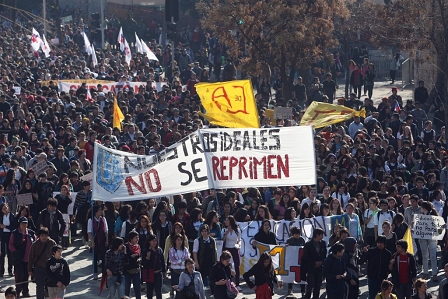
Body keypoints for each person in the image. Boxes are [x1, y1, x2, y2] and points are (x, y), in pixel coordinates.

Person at [9, 216, 36, 298]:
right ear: (19, 224)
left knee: (26, 275)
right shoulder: (15, 233)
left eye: (25, 223)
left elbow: (35, 243)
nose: (24, 225)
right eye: (22, 223)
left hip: (28, 259)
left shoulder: (31, 233)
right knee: (18, 275)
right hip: (18, 259)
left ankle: (25, 291)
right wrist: (15, 252)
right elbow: (11, 245)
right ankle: (17, 292)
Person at [28, 227, 56, 299]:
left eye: (45, 235)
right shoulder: (35, 245)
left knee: (50, 286)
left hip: (50, 268)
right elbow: (31, 257)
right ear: (39, 236)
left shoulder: (52, 243)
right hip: (39, 268)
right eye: (42, 235)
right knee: (40, 286)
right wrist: (30, 269)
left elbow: (57, 255)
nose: (44, 237)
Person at [302, 228, 327, 299]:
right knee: (310, 284)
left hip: (320, 268)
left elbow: (324, 254)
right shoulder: (308, 244)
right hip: (311, 268)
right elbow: (305, 257)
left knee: (318, 285)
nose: (322, 236)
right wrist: (314, 262)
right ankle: (307, 297)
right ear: (317, 235)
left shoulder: (323, 243)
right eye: (321, 235)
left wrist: (321, 262)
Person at [192, 224, 217, 291]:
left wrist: (216, 262)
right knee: (201, 278)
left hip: (210, 262)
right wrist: (196, 263)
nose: (204, 233)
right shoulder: (197, 240)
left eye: (205, 231)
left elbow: (215, 251)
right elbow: (195, 252)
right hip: (201, 262)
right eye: (202, 231)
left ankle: (213, 292)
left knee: (212, 277)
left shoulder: (212, 240)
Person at [87, 205, 109, 280]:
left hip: (102, 238)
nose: (101, 211)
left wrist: (107, 240)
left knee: (104, 256)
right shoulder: (91, 220)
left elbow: (106, 230)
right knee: (95, 257)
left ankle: (103, 272)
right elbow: (89, 232)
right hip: (95, 239)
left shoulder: (103, 219)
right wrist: (92, 242)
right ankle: (95, 272)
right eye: (100, 210)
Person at [142, 233, 166, 299]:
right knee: (149, 291)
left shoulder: (159, 250)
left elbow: (162, 261)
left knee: (158, 291)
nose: (154, 242)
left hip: (158, 273)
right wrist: (147, 258)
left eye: (155, 241)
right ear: (149, 241)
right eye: (153, 241)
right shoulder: (146, 250)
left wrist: (164, 271)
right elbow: (144, 264)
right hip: (150, 273)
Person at [419, 201, 439, 281]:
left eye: (421, 207)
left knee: (433, 256)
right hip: (423, 237)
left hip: (432, 238)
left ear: (424, 208)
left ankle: (434, 274)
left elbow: (439, 225)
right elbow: (418, 228)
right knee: (425, 255)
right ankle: (426, 273)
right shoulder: (420, 217)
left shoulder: (433, 215)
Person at [222, 215, 242, 290]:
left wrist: (239, 244)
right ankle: (227, 282)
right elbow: (222, 241)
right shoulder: (224, 230)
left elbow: (239, 239)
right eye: (225, 220)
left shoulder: (237, 230)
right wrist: (225, 235)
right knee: (226, 265)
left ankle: (237, 284)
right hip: (227, 249)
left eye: (227, 220)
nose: (226, 222)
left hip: (235, 248)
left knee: (237, 265)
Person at [286, 226, 306, 295]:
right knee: (291, 275)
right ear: (292, 234)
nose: (297, 235)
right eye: (296, 234)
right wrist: (287, 247)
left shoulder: (302, 240)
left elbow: (305, 248)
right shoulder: (289, 240)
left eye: (298, 234)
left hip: (300, 261)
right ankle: (290, 289)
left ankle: (303, 291)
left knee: (302, 276)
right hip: (292, 261)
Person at [168, 233, 190, 297]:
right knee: (177, 288)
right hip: (175, 271)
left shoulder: (185, 249)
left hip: (183, 270)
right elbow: (171, 260)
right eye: (178, 240)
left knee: (183, 287)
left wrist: (180, 261)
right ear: (175, 241)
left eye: (181, 240)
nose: (179, 241)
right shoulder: (172, 249)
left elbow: (187, 258)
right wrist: (180, 261)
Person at [124, 230, 141, 299]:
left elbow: (140, 255)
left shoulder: (138, 246)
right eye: (135, 238)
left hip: (136, 270)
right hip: (127, 270)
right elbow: (124, 258)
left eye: (138, 237)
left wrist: (140, 259)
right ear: (131, 239)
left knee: (137, 288)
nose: (137, 239)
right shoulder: (126, 246)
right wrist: (130, 257)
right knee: (127, 288)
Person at [0, 202, 16, 277]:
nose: (5, 210)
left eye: (6, 208)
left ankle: (10, 270)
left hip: (10, 236)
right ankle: (1, 271)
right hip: (2, 236)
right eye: (3, 209)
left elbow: (14, 227)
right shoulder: (1, 216)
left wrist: (5, 226)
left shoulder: (12, 216)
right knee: (2, 254)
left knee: (10, 253)